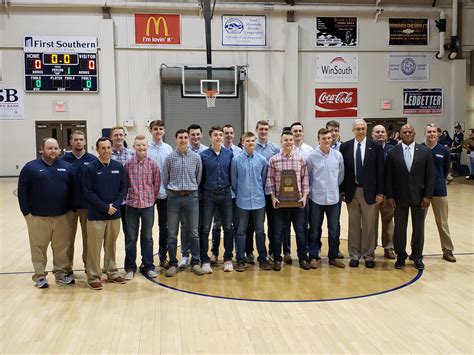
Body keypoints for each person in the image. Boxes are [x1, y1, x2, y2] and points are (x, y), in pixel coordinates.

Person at [18, 138, 75, 288]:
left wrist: (71, 211)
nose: (53, 151)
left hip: (62, 216)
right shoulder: (30, 168)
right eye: (49, 148)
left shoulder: (67, 167)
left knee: (62, 248)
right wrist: (26, 213)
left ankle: (61, 274)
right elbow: (22, 192)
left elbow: (74, 191)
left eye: (56, 148)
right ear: (41, 149)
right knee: (38, 248)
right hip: (38, 217)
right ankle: (40, 276)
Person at [385, 124, 435, 270]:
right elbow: (389, 177)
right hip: (399, 197)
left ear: (414, 133)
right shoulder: (393, 152)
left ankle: (417, 256)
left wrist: (427, 196)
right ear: (400, 134)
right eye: (404, 132)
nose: (407, 134)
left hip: (419, 197)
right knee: (400, 228)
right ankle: (401, 256)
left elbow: (430, 176)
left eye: (410, 132)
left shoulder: (424, 151)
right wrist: (390, 196)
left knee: (418, 228)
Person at [83, 137, 127, 290]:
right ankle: (94, 276)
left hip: (114, 214)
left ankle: (112, 272)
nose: (107, 151)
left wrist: (114, 206)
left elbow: (123, 188)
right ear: (97, 150)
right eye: (103, 148)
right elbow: (88, 192)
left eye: (109, 148)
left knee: (111, 246)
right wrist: (104, 207)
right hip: (96, 215)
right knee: (94, 248)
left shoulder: (118, 167)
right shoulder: (90, 168)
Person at [340, 119, 384, 268]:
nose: (360, 131)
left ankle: (369, 255)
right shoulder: (345, 146)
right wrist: (343, 190)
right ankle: (354, 255)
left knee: (369, 224)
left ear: (366, 130)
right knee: (353, 225)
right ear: (353, 130)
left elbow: (380, 171)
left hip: (369, 192)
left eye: (363, 128)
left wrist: (380, 193)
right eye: (358, 128)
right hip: (352, 192)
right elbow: (342, 171)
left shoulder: (376, 147)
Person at [162, 129, 205, 277]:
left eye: (185, 137)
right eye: (180, 137)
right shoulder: (169, 158)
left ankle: (195, 262)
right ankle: (173, 263)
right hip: (174, 198)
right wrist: (173, 191)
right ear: (176, 139)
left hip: (191, 197)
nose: (183, 140)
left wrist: (190, 189)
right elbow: (165, 179)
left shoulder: (196, 157)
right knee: (172, 233)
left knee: (193, 232)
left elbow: (198, 178)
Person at [265, 130, 309, 271]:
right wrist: (273, 197)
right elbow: (269, 180)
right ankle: (277, 258)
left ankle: (302, 258)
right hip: (279, 203)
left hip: (297, 202)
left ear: (293, 141)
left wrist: (304, 196)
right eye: (286, 140)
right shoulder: (274, 159)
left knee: (300, 231)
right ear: (281, 141)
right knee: (278, 231)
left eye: (290, 140)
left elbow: (305, 179)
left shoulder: (301, 159)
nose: (288, 142)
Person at [231, 132, 271, 271]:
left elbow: (265, 179)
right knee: (241, 231)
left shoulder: (262, 160)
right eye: (247, 141)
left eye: (253, 141)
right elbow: (234, 182)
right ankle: (240, 259)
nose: (250, 143)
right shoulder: (236, 161)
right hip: (242, 202)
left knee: (260, 231)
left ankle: (263, 258)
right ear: (242, 142)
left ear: (255, 142)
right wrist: (240, 194)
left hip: (259, 201)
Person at [123, 135, 161, 280]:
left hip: (147, 206)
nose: (141, 148)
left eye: (143, 145)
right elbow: (125, 185)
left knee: (147, 237)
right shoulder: (128, 164)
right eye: (138, 145)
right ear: (134, 147)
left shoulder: (153, 165)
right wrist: (128, 198)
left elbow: (156, 185)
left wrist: (151, 199)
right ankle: (130, 268)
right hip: (131, 205)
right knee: (131, 238)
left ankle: (148, 266)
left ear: (147, 147)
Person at [307, 128, 345, 268]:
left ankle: (333, 256)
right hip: (316, 198)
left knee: (334, 229)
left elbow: (340, 176)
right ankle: (314, 256)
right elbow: (308, 176)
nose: (327, 141)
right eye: (324, 139)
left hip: (333, 199)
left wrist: (333, 188)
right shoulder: (311, 157)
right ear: (318, 140)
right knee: (315, 229)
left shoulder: (337, 156)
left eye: (329, 138)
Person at [198, 126, 235, 272]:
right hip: (209, 195)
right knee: (206, 228)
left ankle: (227, 258)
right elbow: (201, 177)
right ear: (210, 137)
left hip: (225, 194)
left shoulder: (229, 154)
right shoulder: (204, 155)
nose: (219, 137)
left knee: (227, 227)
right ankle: (205, 260)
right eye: (216, 135)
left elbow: (231, 174)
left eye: (221, 135)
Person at [61, 130, 97, 272]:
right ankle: (66, 269)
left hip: (88, 207)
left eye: (81, 139)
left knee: (89, 240)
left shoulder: (93, 160)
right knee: (67, 240)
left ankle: (89, 267)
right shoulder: (63, 160)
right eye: (75, 139)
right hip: (69, 208)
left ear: (85, 142)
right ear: (71, 142)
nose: (78, 142)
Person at [423, 124, 456, 262]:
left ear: (437, 134)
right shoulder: (420, 149)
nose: (431, 134)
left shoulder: (443, 150)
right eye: (429, 132)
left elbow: (445, 169)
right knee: (419, 223)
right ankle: (416, 250)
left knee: (442, 222)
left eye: (434, 132)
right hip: (422, 193)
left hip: (439, 191)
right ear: (424, 133)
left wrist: (438, 181)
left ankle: (447, 250)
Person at [210, 124, 242, 265]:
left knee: (231, 226)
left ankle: (230, 254)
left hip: (234, 195)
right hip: (219, 194)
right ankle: (215, 252)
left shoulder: (239, 151)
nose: (228, 135)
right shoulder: (213, 152)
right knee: (217, 225)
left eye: (231, 132)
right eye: (225, 133)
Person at [179, 124, 208, 268]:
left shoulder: (206, 151)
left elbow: (202, 175)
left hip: (204, 196)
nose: (195, 137)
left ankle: (201, 255)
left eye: (198, 134)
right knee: (185, 226)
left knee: (201, 228)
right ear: (188, 136)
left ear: (201, 135)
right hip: (189, 195)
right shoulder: (182, 151)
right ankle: (185, 254)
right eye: (193, 135)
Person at [147, 119, 173, 269]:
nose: (158, 131)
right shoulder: (146, 149)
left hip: (165, 194)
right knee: (148, 228)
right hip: (148, 195)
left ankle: (163, 257)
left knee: (165, 227)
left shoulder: (168, 149)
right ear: (151, 131)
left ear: (164, 131)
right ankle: (148, 260)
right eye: (155, 129)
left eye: (161, 129)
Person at [254, 120, 280, 261]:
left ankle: (271, 251)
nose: (263, 131)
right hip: (256, 193)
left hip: (271, 193)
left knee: (273, 225)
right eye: (261, 129)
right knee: (255, 226)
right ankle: (251, 252)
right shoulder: (251, 146)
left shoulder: (275, 148)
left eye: (265, 129)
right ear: (256, 130)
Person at [371, 125, 396, 259]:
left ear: (386, 135)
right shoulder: (369, 149)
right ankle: (371, 247)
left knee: (388, 221)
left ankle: (389, 248)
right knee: (371, 222)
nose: (380, 134)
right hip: (373, 193)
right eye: (377, 132)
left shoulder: (393, 150)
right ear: (372, 135)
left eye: (382, 132)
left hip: (388, 193)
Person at [110, 126, 135, 254]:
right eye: (116, 135)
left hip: (128, 200)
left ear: (124, 136)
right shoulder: (107, 155)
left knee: (129, 233)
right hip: (112, 201)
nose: (119, 137)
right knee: (110, 235)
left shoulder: (132, 154)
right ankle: (109, 263)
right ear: (111, 137)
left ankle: (129, 264)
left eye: (121, 134)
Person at [325, 120, 344, 259]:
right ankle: (316, 251)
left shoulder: (345, 148)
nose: (334, 133)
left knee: (335, 225)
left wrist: (337, 188)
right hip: (318, 194)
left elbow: (343, 173)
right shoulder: (317, 150)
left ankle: (335, 251)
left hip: (336, 192)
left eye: (336, 130)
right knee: (315, 226)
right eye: (331, 130)